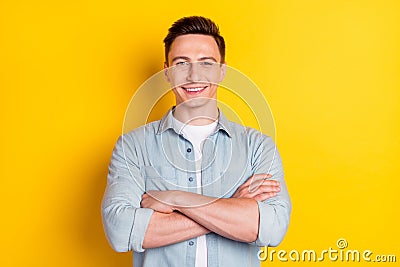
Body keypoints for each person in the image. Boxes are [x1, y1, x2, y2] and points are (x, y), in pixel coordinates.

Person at [102, 16, 291, 267]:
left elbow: (271, 228)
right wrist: (233, 207)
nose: (194, 75)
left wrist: (176, 199)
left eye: (206, 62)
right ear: (167, 72)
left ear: (222, 71)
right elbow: (120, 231)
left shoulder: (258, 147)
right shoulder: (132, 147)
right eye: (182, 63)